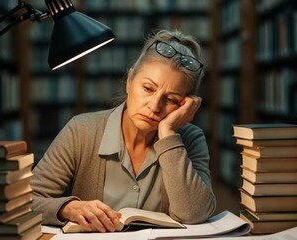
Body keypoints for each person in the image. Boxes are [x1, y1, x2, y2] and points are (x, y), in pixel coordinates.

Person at [30, 29, 217, 232]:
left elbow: (195, 213)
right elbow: (26, 201)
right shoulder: (82, 131)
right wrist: (68, 208)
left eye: (171, 99)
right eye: (148, 88)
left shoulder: (190, 139)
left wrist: (168, 134)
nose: (154, 106)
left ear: (185, 105)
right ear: (129, 81)